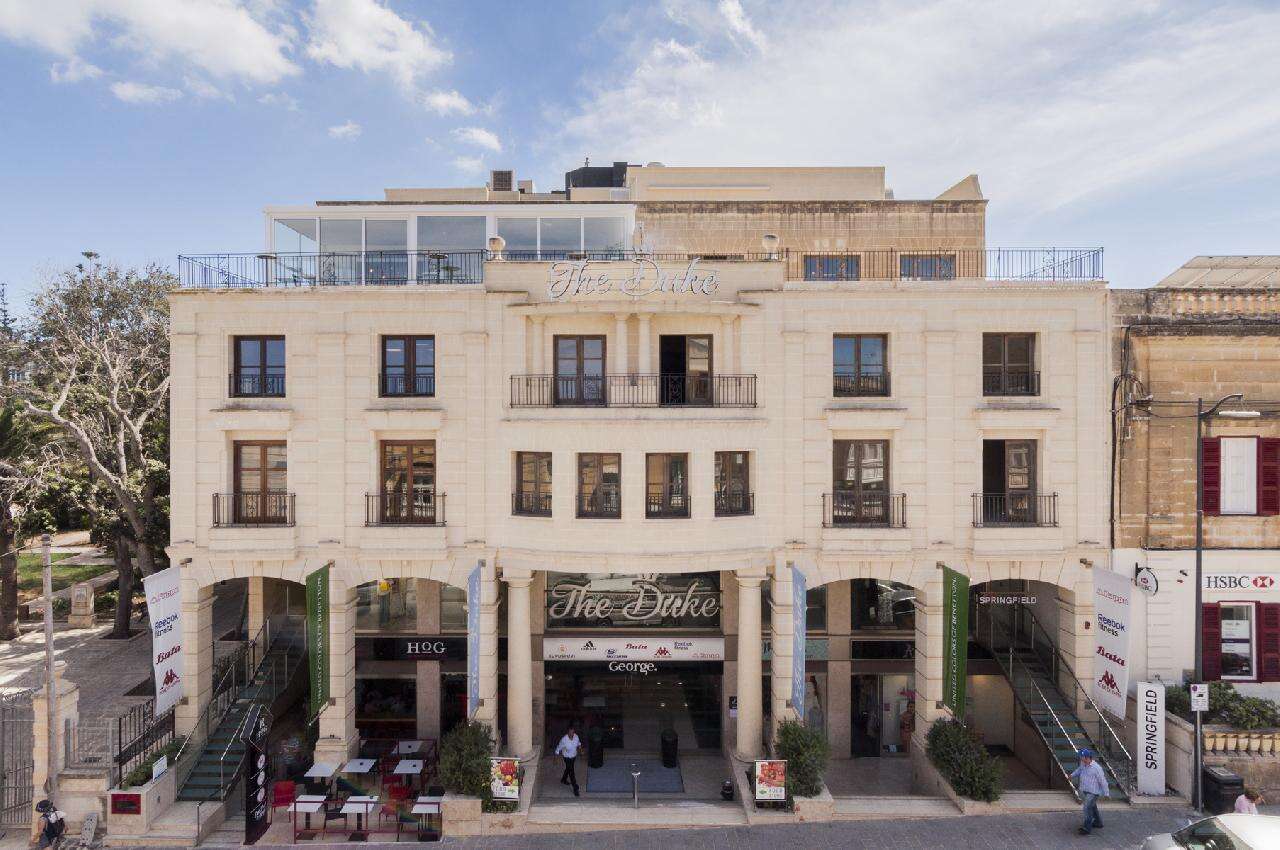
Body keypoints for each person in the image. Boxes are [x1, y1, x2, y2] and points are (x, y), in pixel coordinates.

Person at [1069, 749, 1109, 836]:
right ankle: (1098, 822)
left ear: (1087, 757)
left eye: (1081, 756)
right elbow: (1079, 770)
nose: (1080, 757)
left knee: (1086, 807)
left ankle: (1087, 828)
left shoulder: (1096, 768)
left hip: (1093, 792)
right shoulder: (1083, 764)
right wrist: (1072, 775)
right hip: (1085, 790)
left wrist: (1106, 793)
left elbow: (1103, 781)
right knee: (1092, 807)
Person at [555, 724, 582, 797]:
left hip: (573, 757)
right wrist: (556, 758)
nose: (571, 734)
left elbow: (578, 743)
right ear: (568, 732)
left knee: (568, 769)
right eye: (570, 732)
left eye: (572, 732)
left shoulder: (576, 737)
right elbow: (558, 748)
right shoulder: (564, 740)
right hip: (567, 757)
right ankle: (575, 787)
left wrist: (580, 749)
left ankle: (563, 779)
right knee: (571, 771)